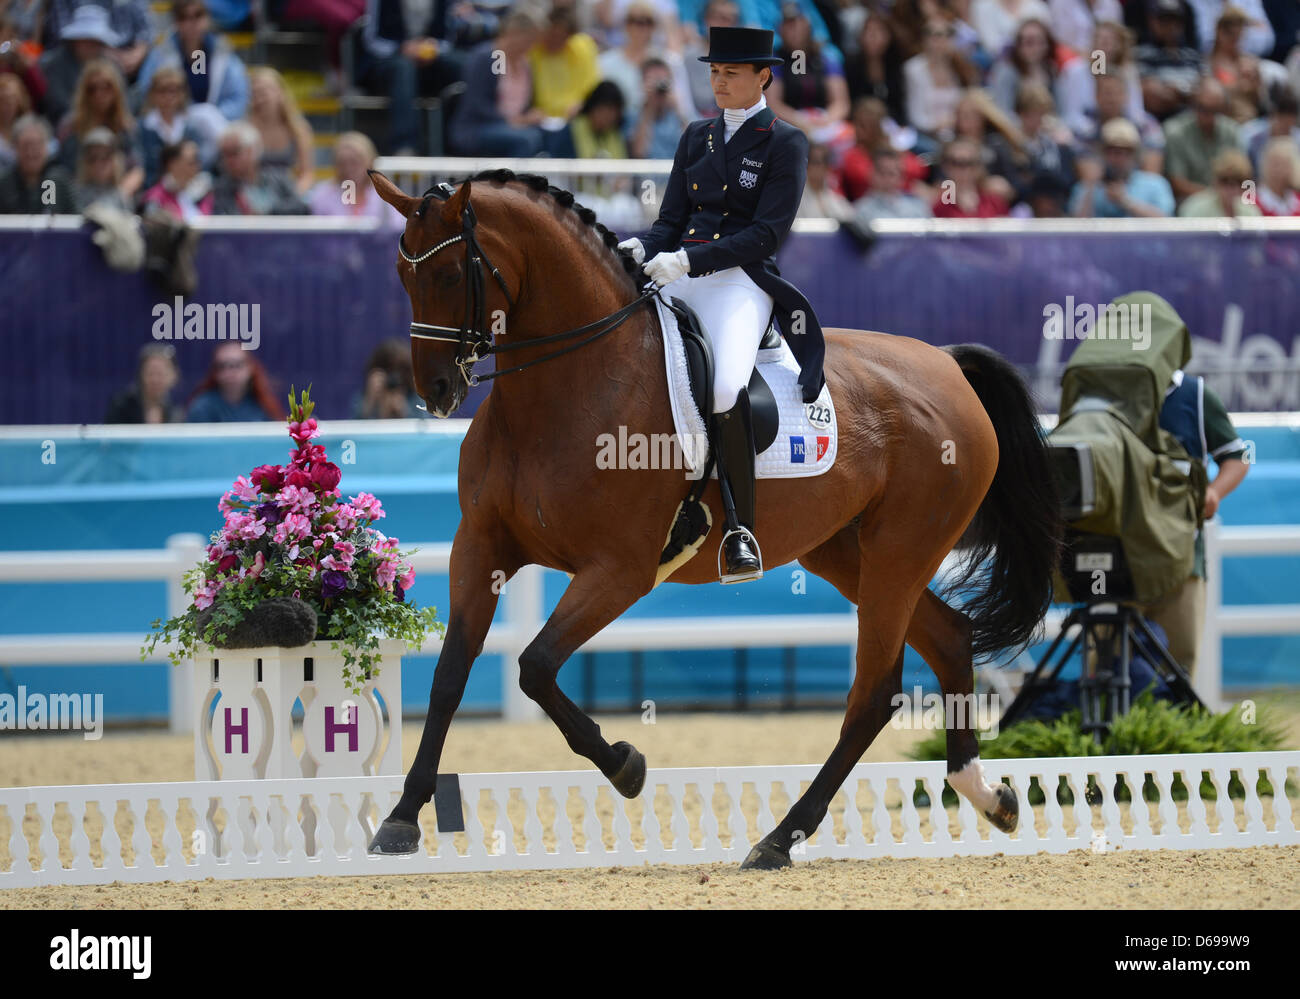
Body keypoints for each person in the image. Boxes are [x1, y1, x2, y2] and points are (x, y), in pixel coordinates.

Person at [617, 26, 824, 584]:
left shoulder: (786, 142)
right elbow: (670, 222)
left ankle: (740, 530)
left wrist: (688, 261)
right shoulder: (695, 136)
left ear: (763, 77)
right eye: (713, 72)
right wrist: (639, 247)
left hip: (741, 281)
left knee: (727, 386)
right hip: (681, 271)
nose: (719, 81)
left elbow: (767, 234)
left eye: (730, 73)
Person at [1141, 364, 1250, 677]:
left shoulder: (1196, 395)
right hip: (1116, 558)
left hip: (1183, 557)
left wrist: (1214, 492)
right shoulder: (1102, 390)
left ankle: (1171, 725)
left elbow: (1238, 456)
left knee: (1178, 663)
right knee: (1109, 662)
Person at [356, 0, 464, 154]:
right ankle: (405, 146)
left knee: (464, 64)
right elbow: (372, 40)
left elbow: (447, 39)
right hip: (387, 61)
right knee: (404, 68)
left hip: (429, 61)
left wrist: (434, 47)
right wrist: (402, 48)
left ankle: (463, 140)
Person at [135, 0, 249, 143]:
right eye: (184, 17)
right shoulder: (161, 55)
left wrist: (212, 116)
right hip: (172, 128)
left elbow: (238, 98)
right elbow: (148, 93)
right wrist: (185, 117)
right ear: (175, 22)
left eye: (197, 15)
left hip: (218, 127)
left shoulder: (222, 52)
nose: (191, 23)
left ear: (207, 18)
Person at [448, 10, 558, 156]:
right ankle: (512, 179)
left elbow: (525, 104)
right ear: (514, 33)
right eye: (530, 40)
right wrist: (512, 122)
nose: (532, 46)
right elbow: (478, 104)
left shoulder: (526, 63)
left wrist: (531, 116)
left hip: (516, 126)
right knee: (527, 139)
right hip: (479, 127)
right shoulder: (487, 56)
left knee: (558, 135)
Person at [56, 58, 144, 199]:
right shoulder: (71, 126)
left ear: (116, 90)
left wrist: (119, 195)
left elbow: (137, 169)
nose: (99, 93)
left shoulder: (126, 126)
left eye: (106, 87)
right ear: (84, 92)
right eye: (93, 89)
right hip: (79, 195)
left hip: (117, 194)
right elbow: (64, 170)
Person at [766, 2, 851, 147]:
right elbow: (772, 104)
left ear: (808, 26)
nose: (794, 30)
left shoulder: (825, 56)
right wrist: (800, 120)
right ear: (780, 29)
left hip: (822, 119)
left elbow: (841, 102)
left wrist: (827, 120)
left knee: (847, 136)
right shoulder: (774, 59)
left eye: (798, 23)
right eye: (788, 25)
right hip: (789, 121)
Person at [1070, 116, 1175, 215]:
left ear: (1135, 155)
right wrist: (1091, 187)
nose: (1117, 158)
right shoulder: (1085, 187)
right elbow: (1075, 227)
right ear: (1102, 154)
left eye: (1124, 152)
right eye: (1110, 151)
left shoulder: (1156, 184)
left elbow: (1165, 221)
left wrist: (1125, 202)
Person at [38, 3, 118, 123]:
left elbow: (120, 100)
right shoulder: (55, 65)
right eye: (87, 40)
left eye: (96, 42)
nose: (92, 46)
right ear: (75, 41)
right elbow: (58, 103)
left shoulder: (110, 64)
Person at [1163, 76, 1241, 199]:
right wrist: (1216, 198)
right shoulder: (1175, 132)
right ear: (1193, 105)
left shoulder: (1232, 130)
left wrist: (1248, 202)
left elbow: (1245, 176)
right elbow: (1177, 184)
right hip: (1191, 206)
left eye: (1216, 110)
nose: (1210, 116)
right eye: (1204, 109)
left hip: (1229, 203)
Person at [903, 17, 978, 142]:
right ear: (924, 39)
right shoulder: (913, 69)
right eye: (936, 35)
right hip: (926, 136)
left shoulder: (959, 67)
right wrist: (946, 124)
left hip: (958, 132)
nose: (942, 40)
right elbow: (916, 118)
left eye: (948, 35)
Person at [210, 120, 308, 215]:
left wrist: (268, 212)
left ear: (252, 150)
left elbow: (301, 208)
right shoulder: (219, 190)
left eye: (234, 152)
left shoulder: (278, 179)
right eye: (224, 154)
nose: (229, 160)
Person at [308, 130, 403, 226]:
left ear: (370, 162)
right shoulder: (322, 195)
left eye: (355, 162)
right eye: (342, 163)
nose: (348, 168)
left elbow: (397, 228)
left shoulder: (388, 193)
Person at [246, 67, 315, 193]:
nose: (259, 99)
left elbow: (307, 174)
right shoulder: (246, 128)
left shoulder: (298, 129)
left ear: (279, 92)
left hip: (287, 189)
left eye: (263, 92)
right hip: (255, 191)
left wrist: (295, 194)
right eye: (254, 94)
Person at [139, 65, 210, 187]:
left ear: (182, 94)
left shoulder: (191, 126)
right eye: (163, 90)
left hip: (189, 189)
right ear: (152, 93)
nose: (168, 96)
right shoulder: (142, 127)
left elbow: (199, 164)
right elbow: (142, 166)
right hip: (154, 191)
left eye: (174, 90)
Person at [1135, 0, 1205, 119]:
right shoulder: (1140, 54)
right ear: (1152, 22)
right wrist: (1188, 95)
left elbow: (1206, 92)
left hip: (1195, 121)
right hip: (1157, 120)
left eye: (1175, 20)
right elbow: (1151, 96)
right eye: (1164, 20)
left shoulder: (1193, 56)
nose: (1170, 26)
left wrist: (1177, 91)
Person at [187, 342, 286, 421]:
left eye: (237, 365)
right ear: (215, 373)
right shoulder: (202, 408)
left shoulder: (264, 404)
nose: (230, 372)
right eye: (223, 366)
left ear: (251, 368)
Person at [0, 113, 77, 212]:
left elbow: (77, 219)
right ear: (15, 148)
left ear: (47, 147)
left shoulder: (60, 180)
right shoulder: (3, 183)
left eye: (36, 145)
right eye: (26, 146)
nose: (31, 152)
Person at [843, 13, 907, 126]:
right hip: (858, 125)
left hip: (891, 126)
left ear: (889, 36)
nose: (873, 36)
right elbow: (848, 104)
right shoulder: (850, 65)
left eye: (879, 31)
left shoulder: (896, 66)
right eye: (869, 31)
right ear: (861, 36)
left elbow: (900, 107)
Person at [931, 136, 1011, 215]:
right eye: (955, 163)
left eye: (969, 163)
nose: (963, 169)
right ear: (945, 166)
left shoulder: (994, 202)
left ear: (979, 166)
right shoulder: (940, 207)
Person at [852, 145, 934, 223]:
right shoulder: (861, 210)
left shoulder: (918, 205)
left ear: (902, 177)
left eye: (892, 173)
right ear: (871, 173)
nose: (886, 178)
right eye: (882, 172)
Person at [627, 56, 688, 159]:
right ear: (642, 83)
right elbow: (638, 153)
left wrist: (678, 109)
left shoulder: (677, 114)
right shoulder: (633, 114)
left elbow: (693, 147)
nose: (659, 86)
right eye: (654, 80)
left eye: (663, 80)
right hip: (647, 174)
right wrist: (649, 109)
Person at [105, 343, 182, 423]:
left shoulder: (175, 413)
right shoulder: (121, 406)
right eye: (150, 373)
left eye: (160, 374)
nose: (155, 380)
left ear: (174, 376)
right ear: (140, 375)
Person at [139, 138, 214, 220]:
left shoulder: (204, 193)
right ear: (172, 164)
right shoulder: (155, 198)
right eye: (192, 161)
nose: (198, 166)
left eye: (198, 160)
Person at [351, 338, 426, 418]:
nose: (394, 377)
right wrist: (369, 404)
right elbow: (354, 425)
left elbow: (424, 425)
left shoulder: (416, 400)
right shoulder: (365, 398)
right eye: (389, 370)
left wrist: (404, 412)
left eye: (400, 370)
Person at [1177, 146, 1262, 212]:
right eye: (1225, 180)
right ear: (1215, 182)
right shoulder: (1195, 209)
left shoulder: (1250, 212)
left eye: (1239, 181)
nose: (1231, 188)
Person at [796, 140, 854, 219]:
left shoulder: (838, 201)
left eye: (825, 162)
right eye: (815, 162)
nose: (820, 167)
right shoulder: (795, 200)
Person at [1254, 135, 1300, 214]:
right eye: (1275, 164)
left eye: (1284, 164)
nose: (1279, 170)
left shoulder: (1297, 201)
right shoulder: (1253, 202)